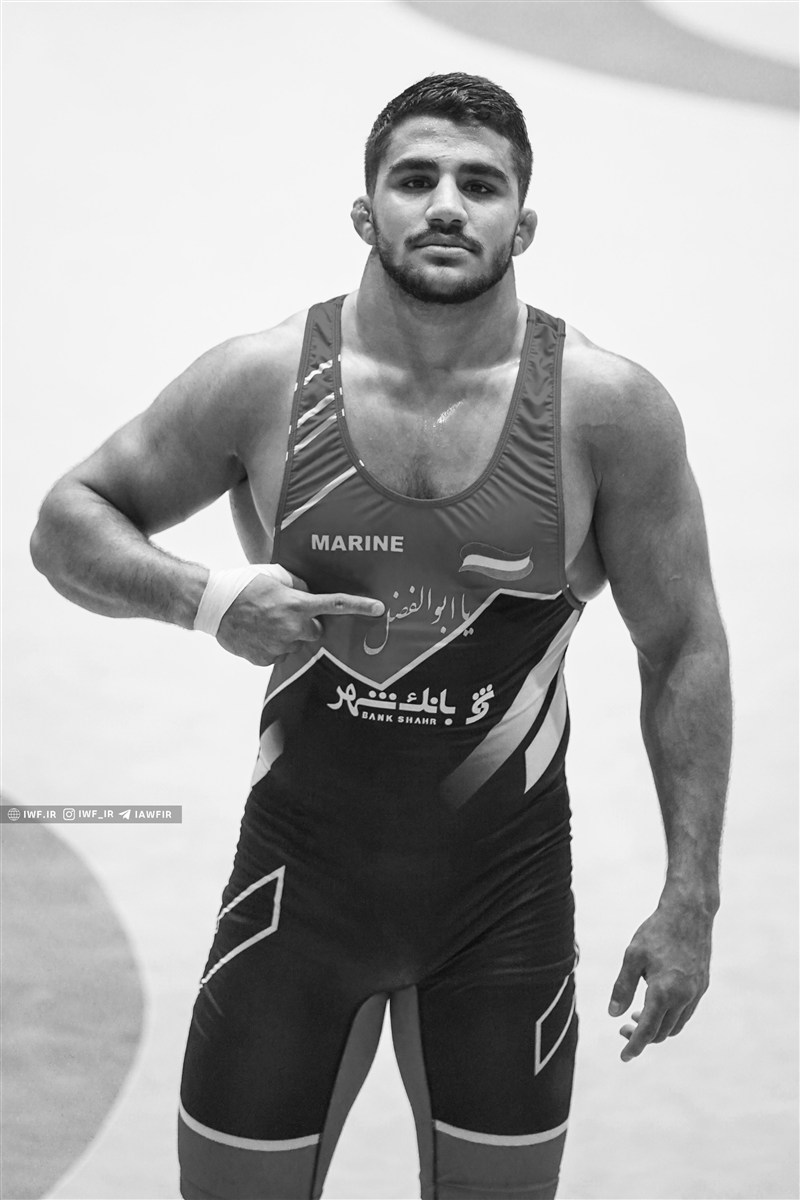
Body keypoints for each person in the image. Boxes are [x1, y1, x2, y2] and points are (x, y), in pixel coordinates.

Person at [30, 72, 731, 1200]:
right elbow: (67, 523)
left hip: (503, 920)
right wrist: (208, 600)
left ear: (523, 224)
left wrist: (690, 897)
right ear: (365, 213)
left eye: (480, 185)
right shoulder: (265, 380)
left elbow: (685, 646)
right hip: (294, 903)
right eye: (416, 179)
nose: (446, 205)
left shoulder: (605, 411)